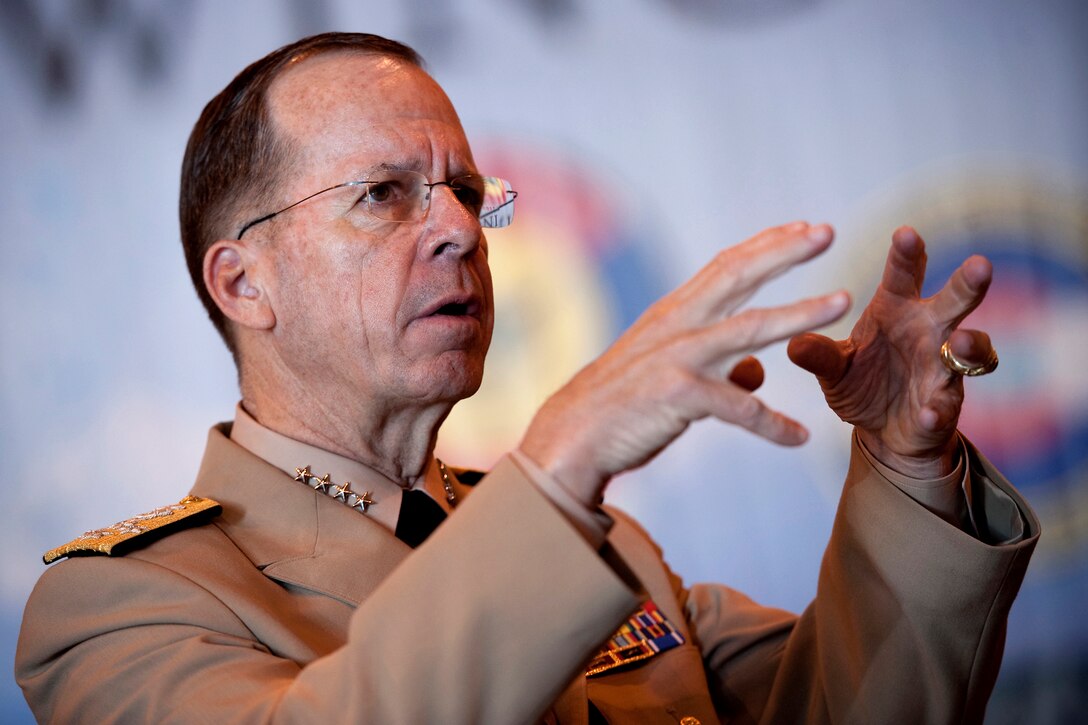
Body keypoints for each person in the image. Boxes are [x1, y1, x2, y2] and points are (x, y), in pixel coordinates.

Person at [16, 32, 1038, 724]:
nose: (462, 229)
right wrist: (556, 462)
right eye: (383, 193)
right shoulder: (114, 601)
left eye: (465, 192)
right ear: (243, 282)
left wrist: (906, 464)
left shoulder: (611, 547)